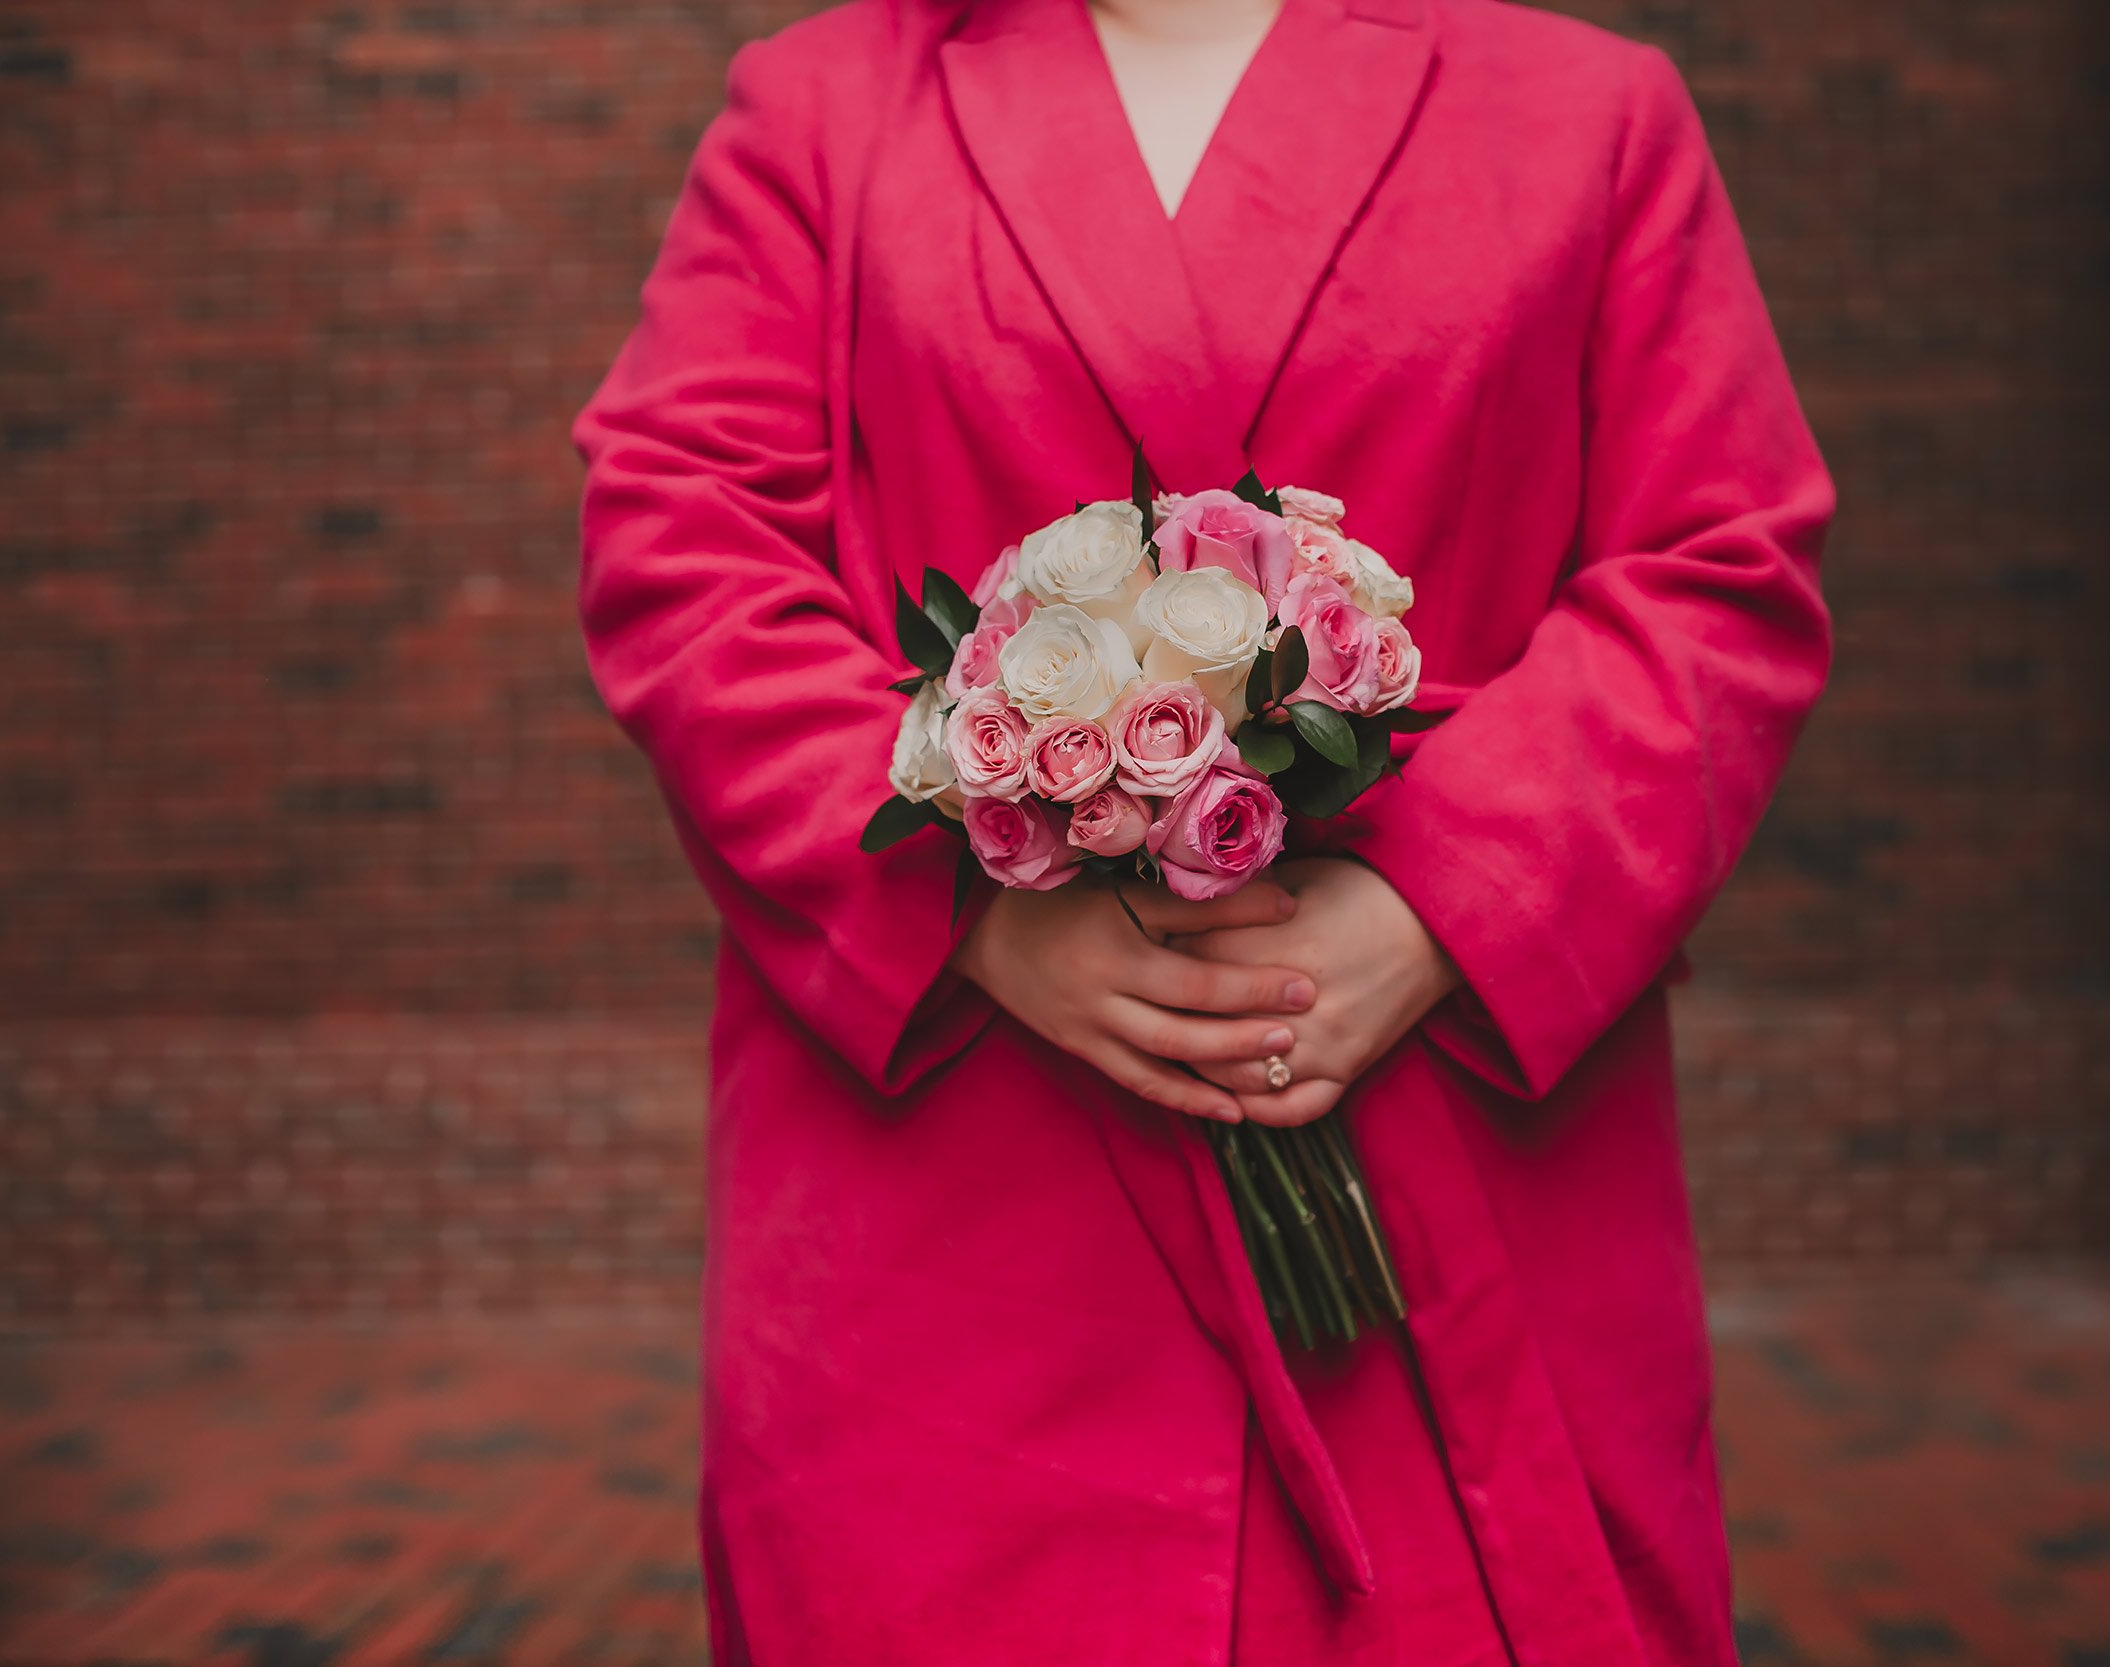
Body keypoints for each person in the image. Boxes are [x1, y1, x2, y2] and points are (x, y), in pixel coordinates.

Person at [573, 0, 1833, 1658]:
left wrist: (1441, 907)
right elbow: (687, 546)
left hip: (1435, 1108)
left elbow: (1716, 570)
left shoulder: (1592, 112)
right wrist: (976, 902)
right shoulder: (819, 107)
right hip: (969, 1190)